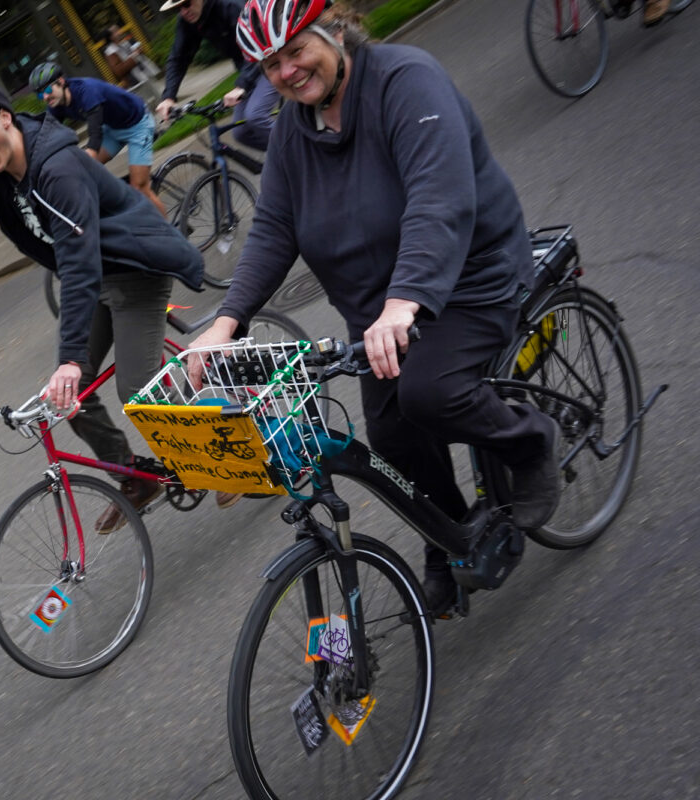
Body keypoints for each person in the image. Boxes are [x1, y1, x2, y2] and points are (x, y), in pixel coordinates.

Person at [188, 0, 562, 616]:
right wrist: (226, 325)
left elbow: (436, 198)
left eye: (296, 51)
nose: (286, 72)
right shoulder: (293, 130)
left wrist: (404, 301)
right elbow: (274, 228)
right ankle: (450, 536)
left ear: (334, 31)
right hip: (379, 309)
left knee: (430, 393)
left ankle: (529, 442)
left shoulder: (405, 81)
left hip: (467, 276)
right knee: (389, 439)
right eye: (269, 64)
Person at [0, 82, 227, 532]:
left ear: (5, 117)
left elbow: (78, 264)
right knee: (67, 398)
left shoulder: (58, 168)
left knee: (138, 387)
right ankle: (134, 478)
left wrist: (69, 358)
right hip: (100, 279)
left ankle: (223, 457)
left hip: (134, 271)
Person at [28, 62, 165, 214]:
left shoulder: (86, 91)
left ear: (60, 81)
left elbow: (95, 136)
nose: (45, 97)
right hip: (112, 129)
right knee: (79, 168)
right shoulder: (56, 104)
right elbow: (46, 136)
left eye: (47, 89)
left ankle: (174, 236)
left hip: (137, 125)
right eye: (40, 94)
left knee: (139, 187)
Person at [154, 0, 280, 151]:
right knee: (241, 132)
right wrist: (168, 97)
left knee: (255, 116)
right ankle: (282, 160)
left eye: (186, 4)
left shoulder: (229, 6)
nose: (184, 11)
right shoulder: (188, 20)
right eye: (178, 8)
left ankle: (303, 155)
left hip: (270, 61)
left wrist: (241, 86)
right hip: (247, 70)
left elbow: (259, 44)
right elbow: (178, 58)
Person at [102, 24, 160, 89]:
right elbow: (119, 71)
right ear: (111, 37)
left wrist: (139, 50)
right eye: (115, 31)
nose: (120, 32)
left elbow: (140, 54)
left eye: (118, 29)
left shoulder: (125, 42)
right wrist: (134, 56)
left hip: (148, 74)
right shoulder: (110, 52)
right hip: (137, 83)